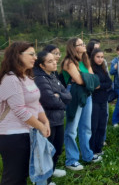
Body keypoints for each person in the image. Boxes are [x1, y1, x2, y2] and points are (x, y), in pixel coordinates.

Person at [0, 42, 50, 184]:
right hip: (12, 136)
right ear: (17, 56)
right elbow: (20, 110)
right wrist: (41, 126)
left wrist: (45, 121)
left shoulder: (26, 77)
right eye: (31, 54)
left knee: (22, 175)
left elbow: (36, 103)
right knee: (14, 178)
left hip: (27, 132)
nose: (35, 57)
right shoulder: (11, 79)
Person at [62, 38, 102, 171]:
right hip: (74, 94)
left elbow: (94, 81)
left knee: (86, 126)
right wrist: (86, 78)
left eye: (83, 43)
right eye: (81, 44)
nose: (84, 45)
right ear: (74, 47)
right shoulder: (68, 62)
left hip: (87, 94)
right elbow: (79, 81)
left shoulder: (85, 60)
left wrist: (83, 77)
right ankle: (71, 160)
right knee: (72, 128)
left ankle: (87, 155)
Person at [34, 51, 72, 181]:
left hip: (58, 119)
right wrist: (62, 100)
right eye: (50, 61)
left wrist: (59, 96)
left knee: (57, 149)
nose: (55, 62)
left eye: (54, 60)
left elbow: (68, 95)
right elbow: (49, 100)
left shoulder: (53, 76)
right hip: (48, 121)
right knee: (46, 151)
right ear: (42, 66)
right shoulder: (40, 79)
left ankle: (52, 170)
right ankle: (45, 179)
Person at [90, 49, 112, 155]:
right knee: (94, 126)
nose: (100, 59)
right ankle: (92, 149)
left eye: (102, 57)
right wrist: (101, 85)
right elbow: (94, 85)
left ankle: (99, 148)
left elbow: (109, 82)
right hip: (94, 101)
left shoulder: (103, 69)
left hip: (104, 100)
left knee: (102, 125)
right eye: (98, 57)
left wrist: (101, 86)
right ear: (93, 57)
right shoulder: (91, 69)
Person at [110, 45, 119, 127]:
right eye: (118, 51)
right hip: (118, 86)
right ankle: (115, 121)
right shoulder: (114, 60)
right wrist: (118, 64)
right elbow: (111, 72)